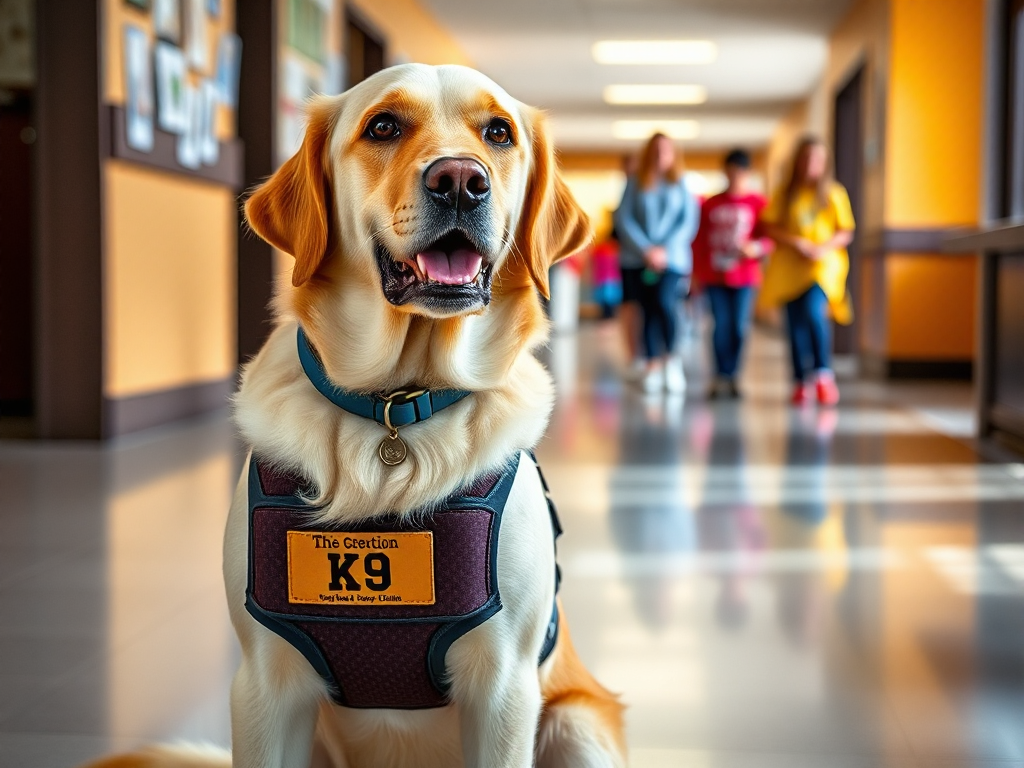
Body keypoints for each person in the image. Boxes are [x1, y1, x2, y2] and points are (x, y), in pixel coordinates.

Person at [759, 136, 855, 406]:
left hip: (822, 267)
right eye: (806, 158)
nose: (811, 163)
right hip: (790, 267)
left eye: (817, 158)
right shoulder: (785, 194)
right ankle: (800, 379)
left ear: (824, 163)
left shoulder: (833, 193)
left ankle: (823, 374)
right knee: (795, 324)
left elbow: (845, 230)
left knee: (814, 314)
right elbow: (770, 226)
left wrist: (823, 247)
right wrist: (797, 242)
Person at [615, 133, 700, 394]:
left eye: (666, 151)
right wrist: (646, 250)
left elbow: (687, 222)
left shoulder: (682, 183)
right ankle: (651, 363)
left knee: (665, 303)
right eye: (656, 150)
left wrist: (663, 250)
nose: (661, 155)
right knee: (646, 308)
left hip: (672, 260)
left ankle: (670, 360)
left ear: (673, 154)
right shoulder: (635, 182)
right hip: (638, 260)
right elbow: (624, 219)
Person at [692, 148, 772, 399]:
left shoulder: (758, 204)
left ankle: (733, 374)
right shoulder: (710, 204)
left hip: (745, 277)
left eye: (740, 172)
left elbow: (769, 238)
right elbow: (699, 241)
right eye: (731, 171)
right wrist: (695, 274)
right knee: (719, 325)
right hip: (714, 276)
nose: (735, 176)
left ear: (747, 173)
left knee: (739, 326)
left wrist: (755, 248)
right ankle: (719, 376)